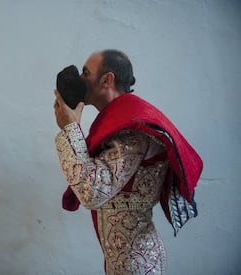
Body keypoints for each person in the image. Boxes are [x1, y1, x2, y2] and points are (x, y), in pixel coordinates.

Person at [53, 49, 203, 275]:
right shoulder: (118, 121)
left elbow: (92, 191)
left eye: (86, 73)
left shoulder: (133, 129)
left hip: (137, 264)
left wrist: (70, 129)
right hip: (124, 260)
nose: (80, 79)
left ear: (107, 79)